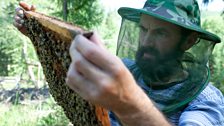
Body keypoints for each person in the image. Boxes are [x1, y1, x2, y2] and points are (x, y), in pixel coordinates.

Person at [14, 0, 224, 126]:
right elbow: (65, 64)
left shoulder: (205, 102)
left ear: (189, 41)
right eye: (143, 29)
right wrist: (37, 31)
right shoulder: (125, 69)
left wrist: (127, 102)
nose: (147, 41)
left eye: (161, 33)